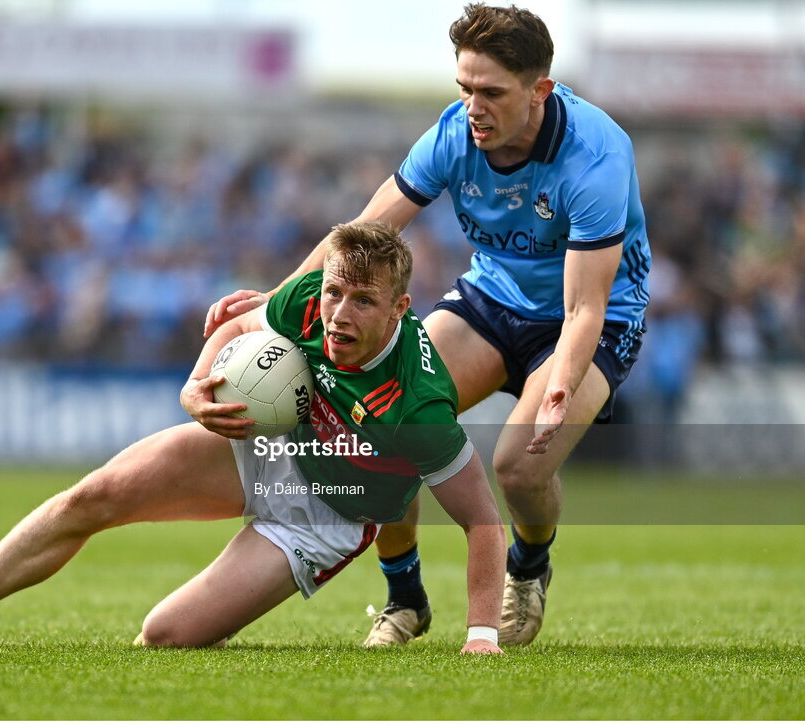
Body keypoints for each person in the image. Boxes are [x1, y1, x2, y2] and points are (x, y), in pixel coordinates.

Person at [204, 3, 650, 647]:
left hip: (592, 322)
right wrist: (279, 296)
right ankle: (406, 597)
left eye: (492, 93)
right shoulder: (452, 135)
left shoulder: (595, 158)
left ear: (540, 91)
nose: (474, 106)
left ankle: (528, 565)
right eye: (465, 88)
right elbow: (365, 233)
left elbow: (585, 308)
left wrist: (560, 385)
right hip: (492, 302)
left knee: (520, 467)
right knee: (383, 421)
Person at [0, 221, 506, 655]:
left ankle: (402, 594)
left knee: (165, 635)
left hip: (328, 512)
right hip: (273, 442)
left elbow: (482, 521)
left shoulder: (420, 407)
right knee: (96, 495)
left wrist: (481, 636)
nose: (339, 313)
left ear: (400, 308)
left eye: (363, 301)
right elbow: (240, 329)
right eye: (335, 292)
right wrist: (195, 388)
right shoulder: (310, 298)